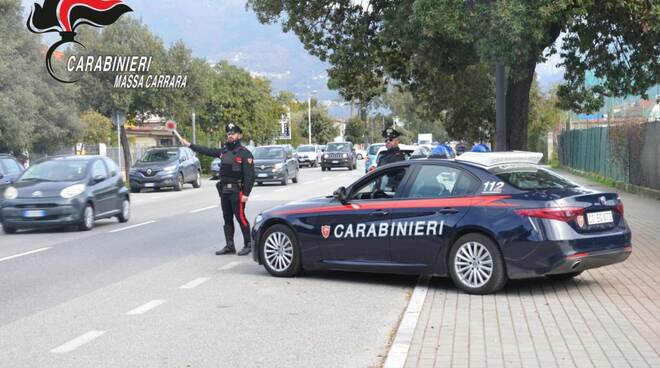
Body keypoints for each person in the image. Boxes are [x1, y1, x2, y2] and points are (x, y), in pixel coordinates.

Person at [179, 123, 255, 256]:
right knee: (227, 218)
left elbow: (250, 176)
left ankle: (248, 244)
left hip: (238, 191)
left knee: (241, 217)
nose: (230, 135)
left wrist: (246, 194)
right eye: (228, 134)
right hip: (224, 191)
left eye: (233, 133)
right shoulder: (223, 152)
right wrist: (190, 145)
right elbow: (207, 151)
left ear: (239, 135)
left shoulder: (244, 154)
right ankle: (230, 246)